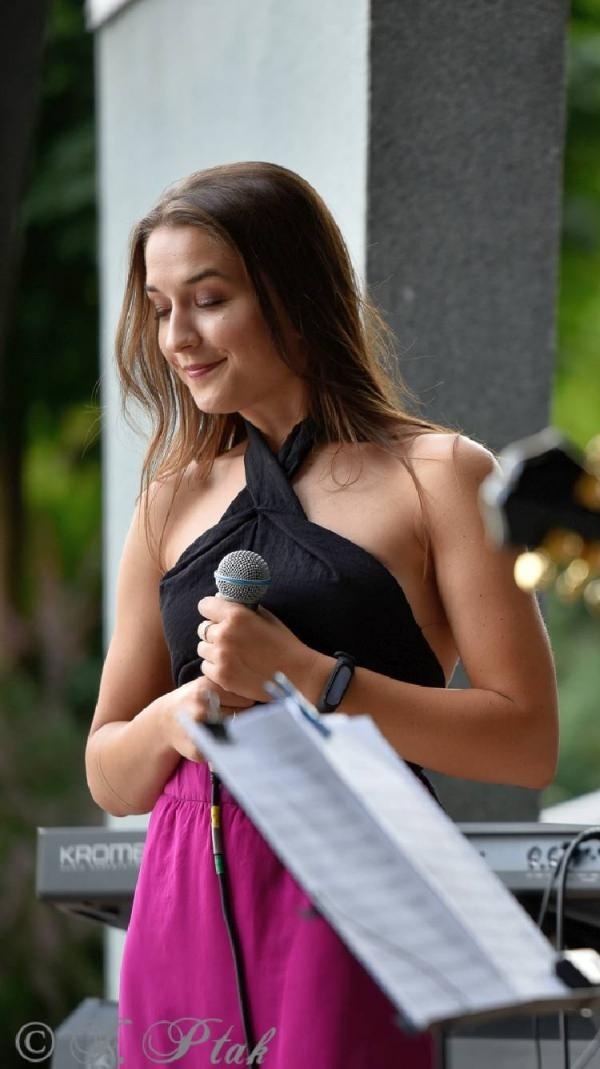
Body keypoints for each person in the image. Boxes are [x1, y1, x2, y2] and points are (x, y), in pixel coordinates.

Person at [85, 162, 560, 1068]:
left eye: (209, 299)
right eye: (158, 306)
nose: (177, 336)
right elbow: (110, 772)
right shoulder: (165, 503)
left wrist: (313, 679)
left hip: (360, 888)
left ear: (293, 294)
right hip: (182, 889)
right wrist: (175, 716)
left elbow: (525, 739)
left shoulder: (442, 474)